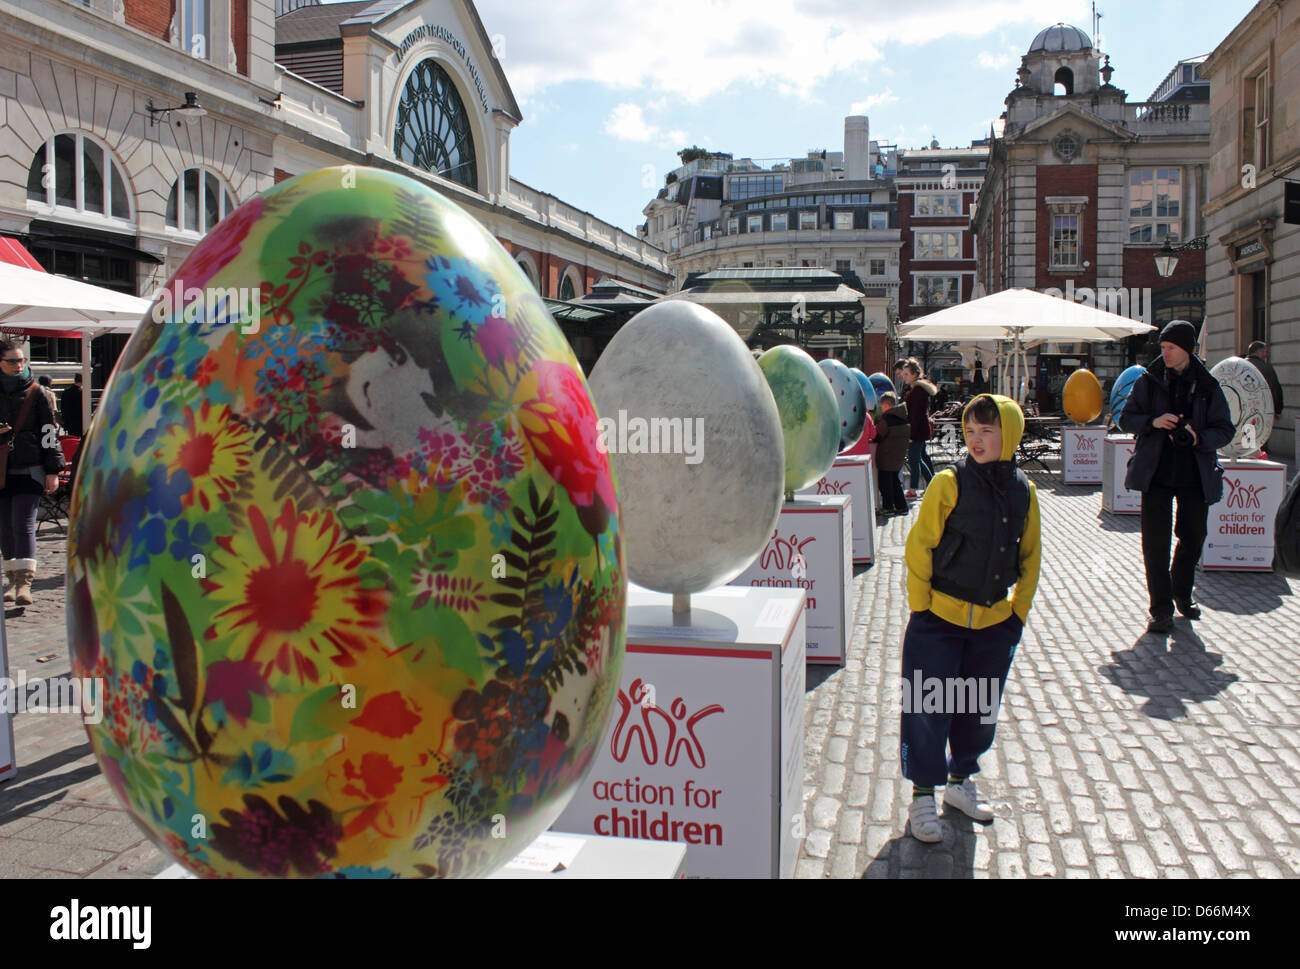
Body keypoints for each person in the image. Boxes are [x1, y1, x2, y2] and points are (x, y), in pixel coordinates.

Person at [900, 393, 1040, 842]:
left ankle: (959, 784)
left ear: (1010, 435)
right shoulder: (948, 482)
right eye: (972, 431)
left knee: (978, 708)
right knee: (928, 706)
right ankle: (923, 793)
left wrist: (1016, 613)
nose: (976, 440)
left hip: (993, 625)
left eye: (988, 431)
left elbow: (1031, 556)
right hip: (939, 619)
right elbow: (919, 546)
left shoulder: (1025, 491)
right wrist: (921, 605)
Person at [1119, 320, 1234, 634]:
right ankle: (1160, 609)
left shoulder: (1208, 385)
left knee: (1193, 537)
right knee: (1155, 543)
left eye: (1171, 348)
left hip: (1194, 473)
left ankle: (1182, 593)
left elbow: (1225, 429)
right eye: (1163, 348)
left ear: (1187, 349)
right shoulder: (1148, 380)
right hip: (1155, 472)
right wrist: (1154, 421)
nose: (1165, 353)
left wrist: (1199, 437)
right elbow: (1125, 418)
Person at [0, 339, 65, 606]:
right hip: (2, 468)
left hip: (31, 467)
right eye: (12, 361)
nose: (19, 366)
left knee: (24, 524)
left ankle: (25, 583)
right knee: (4, 528)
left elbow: (49, 432)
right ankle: (11, 579)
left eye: (22, 360)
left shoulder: (36, 392)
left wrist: (53, 469)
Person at [895, 358, 937, 497]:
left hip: (917, 431)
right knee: (917, 459)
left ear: (914, 375)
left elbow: (916, 415)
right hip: (918, 430)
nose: (904, 376)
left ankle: (915, 488)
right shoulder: (915, 389)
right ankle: (931, 484)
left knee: (915, 460)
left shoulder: (918, 390)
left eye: (906, 374)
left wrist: (911, 434)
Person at [872, 392, 909, 516]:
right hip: (898, 456)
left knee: (885, 484)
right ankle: (901, 506)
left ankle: (888, 507)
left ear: (887, 405)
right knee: (895, 482)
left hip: (887, 456)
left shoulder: (887, 419)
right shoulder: (903, 417)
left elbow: (878, 436)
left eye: (881, 406)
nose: (880, 409)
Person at [1245, 341, 1284, 419]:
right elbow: (1275, 390)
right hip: (1261, 412)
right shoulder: (1266, 368)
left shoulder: (1238, 366)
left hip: (1242, 411)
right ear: (1259, 352)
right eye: (1265, 352)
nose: (1266, 355)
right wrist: (1278, 410)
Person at [59, 372, 84, 438]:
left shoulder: (66, 392)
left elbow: (63, 407)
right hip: (80, 422)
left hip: (69, 422)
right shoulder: (82, 393)